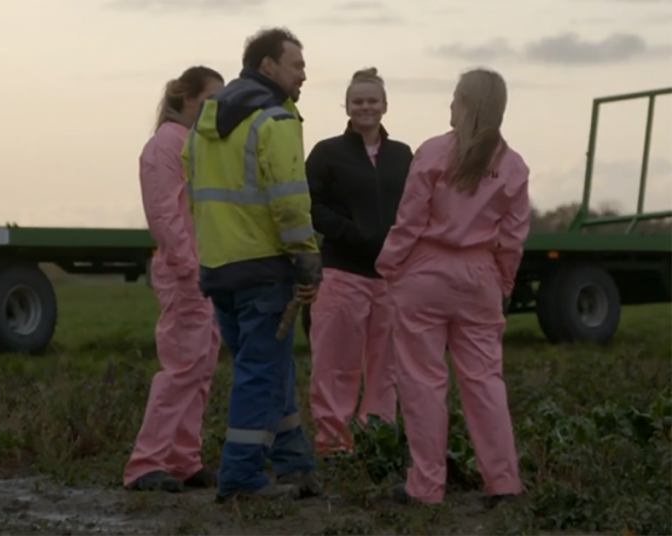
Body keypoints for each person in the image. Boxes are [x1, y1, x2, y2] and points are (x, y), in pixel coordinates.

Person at [374, 67, 529, 506]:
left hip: (425, 272)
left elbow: (409, 221)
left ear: (464, 104)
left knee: (422, 382)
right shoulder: (513, 166)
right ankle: (504, 483)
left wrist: (389, 266)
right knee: (485, 381)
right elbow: (513, 237)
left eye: (455, 97)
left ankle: (426, 486)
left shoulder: (434, 152)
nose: (450, 104)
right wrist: (502, 282)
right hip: (480, 277)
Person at [181, 27, 324, 503]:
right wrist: (306, 257)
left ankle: (293, 462)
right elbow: (290, 200)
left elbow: (193, 189)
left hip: (219, 267)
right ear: (269, 66)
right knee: (261, 374)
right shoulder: (275, 120)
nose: (304, 75)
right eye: (297, 65)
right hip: (264, 267)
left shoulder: (205, 123)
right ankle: (241, 476)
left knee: (268, 368)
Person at [124, 66, 227, 494]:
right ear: (187, 98)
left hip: (205, 271)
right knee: (183, 367)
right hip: (187, 273)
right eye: (210, 99)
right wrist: (189, 270)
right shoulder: (165, 146)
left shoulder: (194, 143)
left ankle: (184, 459)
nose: (216, 108)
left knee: (200, 368)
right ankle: (146, 463)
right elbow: (165, 215)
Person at [305, 67, 413, 457]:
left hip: (391, 277)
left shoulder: (403, 155)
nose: (365, 107)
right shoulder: (326, 153)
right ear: (346, 106)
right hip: (341, 272)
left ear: (385, 106)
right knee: (336, 364)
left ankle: (377, 442)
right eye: (358, 101)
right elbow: (311, 206)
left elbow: (416, 205)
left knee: (387, 366)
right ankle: (333, 445)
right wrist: (352, 232)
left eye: (372, 100)